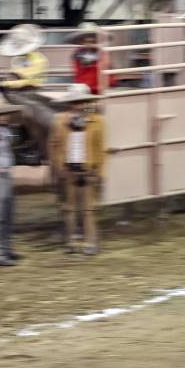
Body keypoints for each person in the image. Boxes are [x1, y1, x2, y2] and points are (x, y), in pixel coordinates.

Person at [49, 84, 106, 255]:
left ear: (87, 102)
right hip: (69, 170)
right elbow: (54, 146)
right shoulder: (59, 121)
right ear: (70, 103)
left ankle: (90, 242)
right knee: (70, 208)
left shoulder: (98, 122)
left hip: (88, 170)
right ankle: (72, 241)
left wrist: (99, 172)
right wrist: (60, 168)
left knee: (89, 209)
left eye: (82, 101)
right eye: (75, 102)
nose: (79, 105)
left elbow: (100, 148)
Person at [0, 103, 22, 266]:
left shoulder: (4, 131)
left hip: (6, 173)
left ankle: (6, 248)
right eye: (3, 114)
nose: (7, 116)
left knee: (8, 213)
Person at [0, 24, 49, 92]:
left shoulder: (38, 59)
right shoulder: (19, 58)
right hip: (24, 84)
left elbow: (29, 78)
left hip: (31, 86)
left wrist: (7, 83)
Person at [67, 22, 114, 95]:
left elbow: (107, 71)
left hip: (102, 88)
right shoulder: (77, 54)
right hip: (85, 88)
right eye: (86, 41)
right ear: (81, 42)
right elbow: (78, 74)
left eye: (92, 41)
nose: (89, 44)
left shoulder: (102, 53)